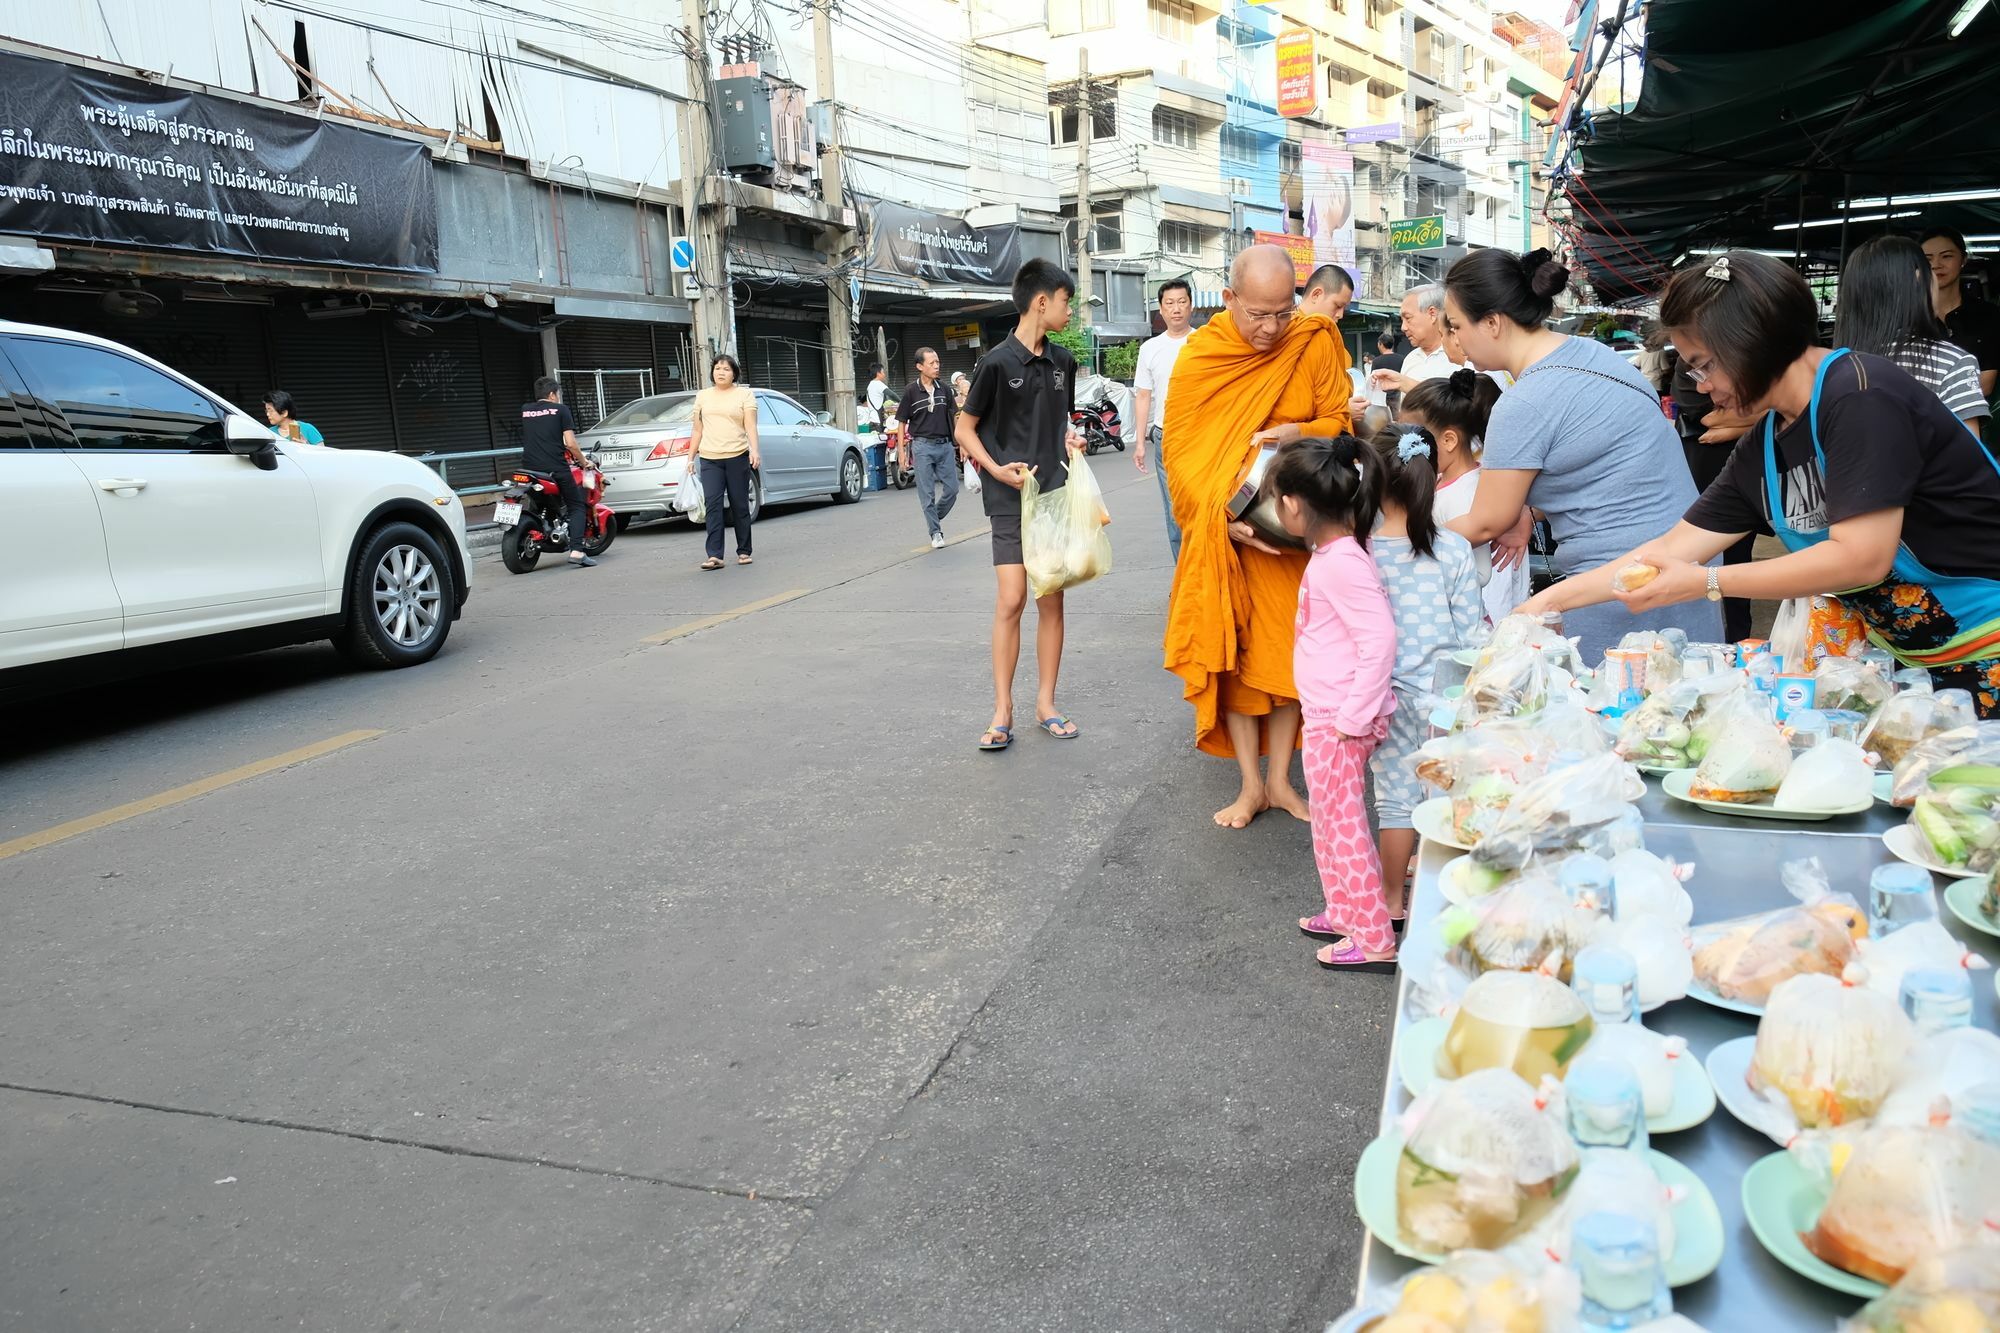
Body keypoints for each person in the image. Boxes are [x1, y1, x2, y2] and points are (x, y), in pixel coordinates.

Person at [1522, 251, 2000, 715]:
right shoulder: (1767, 443)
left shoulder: (1859, 396)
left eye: (1704, 363)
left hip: (1988, 646)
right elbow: (1670, 549)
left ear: (1749, 342)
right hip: (1916, 664)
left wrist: (1706, 582)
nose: (1700, 383)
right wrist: (1549, 602)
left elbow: (1862, 557)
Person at [1437, 247, 1720, 658]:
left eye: (1458, 325)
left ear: (1493, 323)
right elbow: (1601, 461)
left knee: (1613, 706)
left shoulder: (1523, 403)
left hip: (1622, 579)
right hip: (1688, 554)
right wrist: (1529, 511)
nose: (1457, 338)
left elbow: (1486, 522)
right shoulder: (1594, 355)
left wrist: (1402, 541)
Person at [1161, 243, 1353, 830]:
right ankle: (1249, 785)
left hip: (1296, 537)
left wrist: (1296, 429)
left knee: (1295, 663)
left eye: (1282, 312)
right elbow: (1182, 456)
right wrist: (1222, 520)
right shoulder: (1202, 355)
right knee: (1238, 664)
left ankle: (1280, 782)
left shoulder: (1313, 339)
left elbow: (1340, 423)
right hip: (1231, 541)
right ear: (1229, 300)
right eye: (1257, 314)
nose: (1271, 328)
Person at [1266, 435, 1396, 971]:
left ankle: (1373, 937)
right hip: (1331, 715)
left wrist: (1352, 716)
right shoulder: (1338, 552)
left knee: (1343, 826)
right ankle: (1346, 910)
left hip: (1339, 720)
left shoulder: (1339, 562)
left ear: (1293, 504)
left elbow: (1380, 637)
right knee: (1329, 820)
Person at [955, 258, 1085, 750]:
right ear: (1042, 301)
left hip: (1053, 496)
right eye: (1066, 301)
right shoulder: (994, 363)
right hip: (1009, 498)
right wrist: (995, 469)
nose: (1070, 311)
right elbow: (963, 429)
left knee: (1051, 599)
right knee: (1012, 598)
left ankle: (1046, 703)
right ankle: (1002, 708)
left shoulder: (1064, 363)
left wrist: (1073, 441)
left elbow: (1062, 423)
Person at [1361, 420, 1485, 929]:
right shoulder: (1451, 548)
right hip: (1444, 698)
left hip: (1383, 696)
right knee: (1443, 797)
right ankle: (1442, 902)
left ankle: (1391, 899)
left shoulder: (1359, 551)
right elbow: (1472, 633)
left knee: (1394, 800)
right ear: (1430, 480)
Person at [1836, 235, 1988, 443]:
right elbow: (1969, 462)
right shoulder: (1952, 363)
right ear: (1918, 280)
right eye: (1929, 268)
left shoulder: (1831, 368)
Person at [1403, 369, 1524, 627]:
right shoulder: (1442, 481)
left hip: (1460, 625)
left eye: (1412, 440)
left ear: (1448, 440)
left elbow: (1481, 571)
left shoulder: (1466, 493)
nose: (1403, 450)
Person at [1668, 353, 1755, 641]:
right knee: (1709, 558)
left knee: (1736, 557)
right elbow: (1705, 416)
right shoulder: (1687, 363)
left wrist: (1735, 427)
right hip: (1706, 475)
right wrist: (1762, 417)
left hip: (1746, 475)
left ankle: (1738, 640)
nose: (1705, 385)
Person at [1133, 278, 1195, 561]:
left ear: (1191, 305)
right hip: (1165, 436)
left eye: (1182, 302)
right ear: (1161, 309)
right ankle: (1183, 581)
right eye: (1169, 304)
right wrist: (1139, 443)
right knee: (1174, 511)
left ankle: (1204, 577)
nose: (1176, 309)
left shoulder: (1204, 342)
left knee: (1202, 507)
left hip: (1200, 435)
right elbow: (1143, 396)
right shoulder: (1149, 348)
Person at [689, 354, 759, 571]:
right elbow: (697, 429)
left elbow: (750, 426)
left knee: (739, 504)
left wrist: (754, 450)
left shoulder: (744, 395)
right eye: (717, 368)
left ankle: (744, 551)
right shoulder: (703, 396)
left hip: (737, 455)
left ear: (734, 373)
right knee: (713, 505)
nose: (721, 372)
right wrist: (690, 457)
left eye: (726, 369)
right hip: (710, 458)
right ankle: (714, 555)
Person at [519, 376, 597, 568]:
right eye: (558, 394)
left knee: (536, 505)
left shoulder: (526, 410)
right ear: (553, 394)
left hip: (528, 468)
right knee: (577, 506)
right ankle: (578, 551)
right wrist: (584, 462)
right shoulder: (561, 410)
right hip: (554, 468)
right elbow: (570, 443)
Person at [1922, 226, 2000, 401]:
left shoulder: (1989, 316)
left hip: (1969, 419)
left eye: (1947, 256)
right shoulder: (1909, 317)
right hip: (1915, 420)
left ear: (1963, 260)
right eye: (1927, 259)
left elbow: (1985, 384)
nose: (1936, 265)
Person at [899, 347, 960, 547]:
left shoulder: (945, 390)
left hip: (945, 446)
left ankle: (933, 517)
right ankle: (935, 532)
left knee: (952, 490)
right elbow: (901, 423)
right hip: (922, 447)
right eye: (932, 363)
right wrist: (901, 453)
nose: (936, 366)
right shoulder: (910, 391)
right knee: (927, 493)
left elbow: (955, 417)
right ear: (919, 366)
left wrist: (963, 444)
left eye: (937, 362)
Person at [1299, 264, 1367, 423]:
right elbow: (1294, 405)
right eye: (1337, 306)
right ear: (1316, 295)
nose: (1341, 315)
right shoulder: (1291, 335)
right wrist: (1343, 410)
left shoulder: (1331, 340)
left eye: (1344, 308)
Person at [1369, 285, 1461, 397]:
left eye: (1408, 318)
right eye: (1401, 320)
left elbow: (1457, 403)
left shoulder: (1460, 357)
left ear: (1432, 314)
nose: (1403, 327)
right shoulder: (1410, 359)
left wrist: (1404, 383)